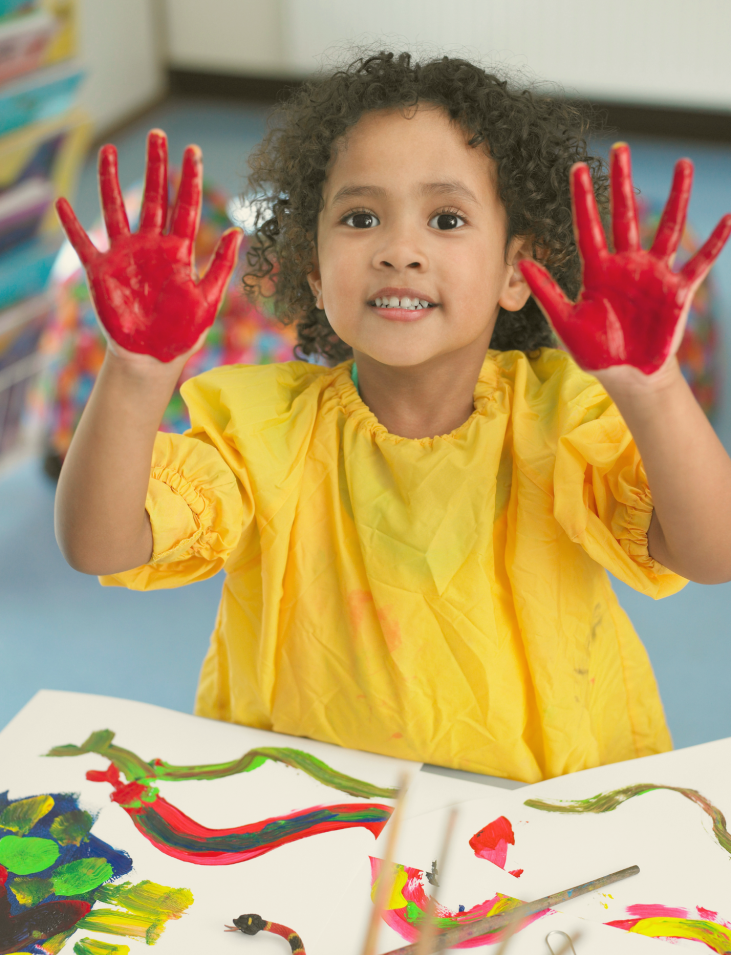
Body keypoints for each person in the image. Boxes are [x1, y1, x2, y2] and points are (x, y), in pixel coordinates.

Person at [53, 53, 731, 783]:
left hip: (535, 810)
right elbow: (101, 546)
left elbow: (711, 553)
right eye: (359, 217)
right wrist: (134, 376)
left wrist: (653, 389)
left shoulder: (563, 416)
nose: (399, 251)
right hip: (310, 807)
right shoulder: (261, 429)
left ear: (516, 271)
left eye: (446, 219)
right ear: (313, 269)